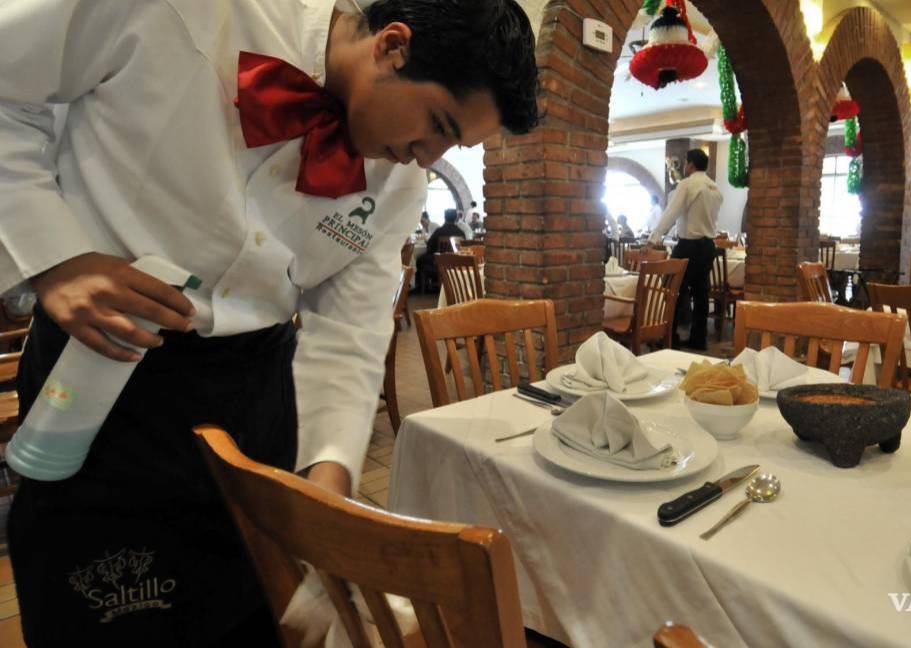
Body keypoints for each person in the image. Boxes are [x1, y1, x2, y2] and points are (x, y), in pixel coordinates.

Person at [0, 0, 538, 645]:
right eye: (439, 126)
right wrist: (54, 259)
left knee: (252, 616)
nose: (429, 158)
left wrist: (328, 479)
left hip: (255, 397)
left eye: (454, 145)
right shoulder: (186, 11)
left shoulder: (399, 185)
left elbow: (350, 334)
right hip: (104, 372)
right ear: (393, 46)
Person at [648, 149, 723, 350]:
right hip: (708, 246)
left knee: (672, 290)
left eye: (686, 162)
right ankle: (698, 339)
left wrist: (654, 238)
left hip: (688, 245)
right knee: (701, 294)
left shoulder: (687, 184)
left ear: (690, 165)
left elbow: (671, 213)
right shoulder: (715, 188)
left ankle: (669, 338)